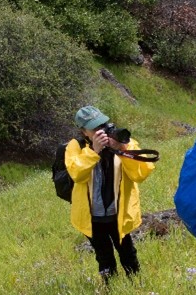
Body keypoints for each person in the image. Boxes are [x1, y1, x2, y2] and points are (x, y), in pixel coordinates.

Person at [66, 105, 156, 284]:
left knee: (128, 252)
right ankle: (111, 288)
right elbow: (76, 174)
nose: (100, 131)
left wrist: (123, 148)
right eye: (94, 128)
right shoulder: (75, 146)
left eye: (102, 125)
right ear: (84, 132)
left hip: (118, 213)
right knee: (104, 256)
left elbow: (140, 174)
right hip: (92, 216)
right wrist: (94, 151)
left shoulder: (122, 141)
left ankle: (136, 285)